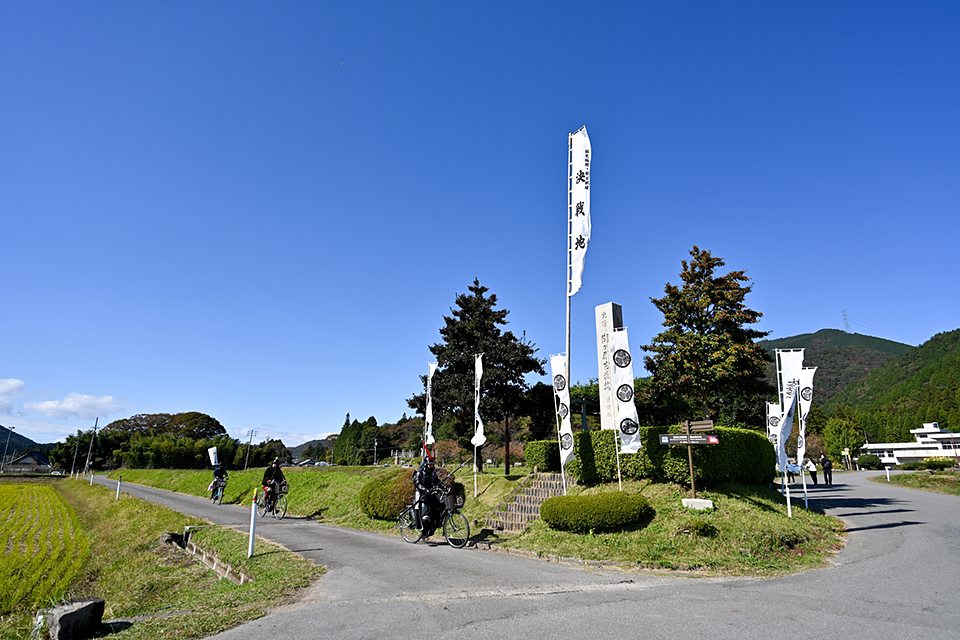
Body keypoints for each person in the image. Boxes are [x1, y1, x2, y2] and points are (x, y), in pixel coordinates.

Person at [413, 456, 441, 535]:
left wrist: (444, 486)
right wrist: (425, 490)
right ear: (426, 464)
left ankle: (432, 528)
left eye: (432, 464)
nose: (431, 466)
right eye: (429, 464)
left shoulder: (433, 472)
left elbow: (437, 482)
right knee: (425, 516)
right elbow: (417, 484)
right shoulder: (419, 472)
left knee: (437, 510)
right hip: (421, 495)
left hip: (430, 494)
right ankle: (423, 531)